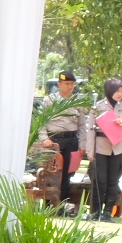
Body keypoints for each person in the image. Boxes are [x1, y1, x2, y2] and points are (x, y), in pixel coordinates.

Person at [37, 71, 86, 213]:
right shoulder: (49, 100)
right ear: (59, 84)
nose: (70, 87)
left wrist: (82, 144)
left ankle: (60, 205)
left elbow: (82, 126)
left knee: (67, 174)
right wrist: (44, 138)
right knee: (50, 174)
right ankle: (47, 205)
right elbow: (41, 122)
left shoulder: (77, 102)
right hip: (53, 141)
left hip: (71, 141)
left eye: (72, 84)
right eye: (67, 84)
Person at [84, 78, 122, 222]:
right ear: (110, 90)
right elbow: (90, 130)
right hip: (101, 146)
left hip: (118, 148)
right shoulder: (98, 106)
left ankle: (108, 212)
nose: (119, 94)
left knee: (113, 180)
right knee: (99, 179)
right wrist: (89, 150)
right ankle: (95, 211)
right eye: (117, 91)